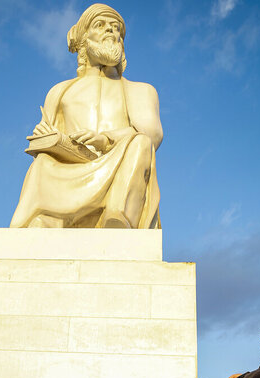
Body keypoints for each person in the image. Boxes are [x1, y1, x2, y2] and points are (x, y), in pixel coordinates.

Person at [10, 3, 163, 230]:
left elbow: (151, 135)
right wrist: (45, 137)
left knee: (140, 143)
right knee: (42, 163)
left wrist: (106, 139)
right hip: (71, 165)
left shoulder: (140, 90)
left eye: (115, 28)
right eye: (100, 25)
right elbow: (45, 135)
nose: (111, 31)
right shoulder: (60, 91)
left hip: (117, 165)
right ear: (84, 39)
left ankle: (117, 219)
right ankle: (46, 220)